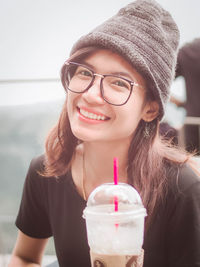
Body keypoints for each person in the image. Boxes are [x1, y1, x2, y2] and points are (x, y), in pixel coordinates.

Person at [8, 0, 200, 266]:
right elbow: (24, 256)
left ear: (151, 109)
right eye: (85, 72)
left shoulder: (182, 189)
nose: (90, 94)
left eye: (119, 83)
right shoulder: (47, 171)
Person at [170, 38, 200, 154]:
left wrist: (179, 102)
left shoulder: (189, 51)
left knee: (193, 169)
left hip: (192, 128)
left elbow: (160, 81)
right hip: (192, 127)